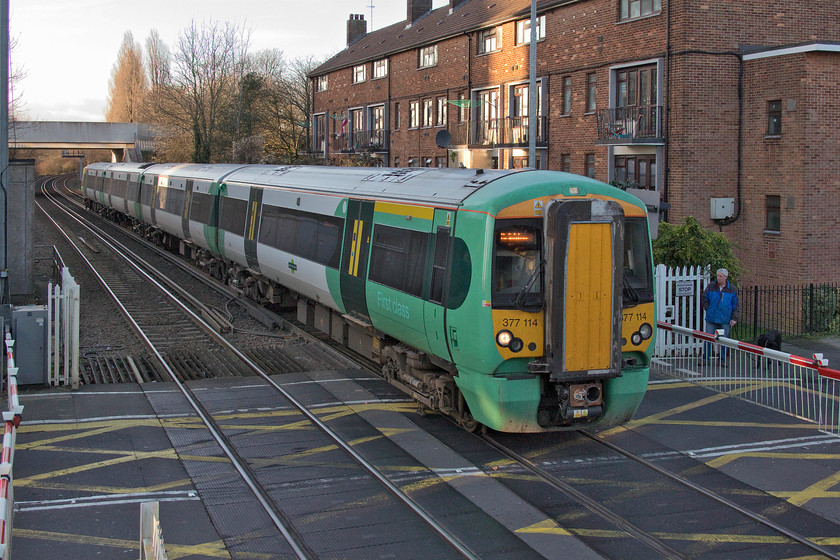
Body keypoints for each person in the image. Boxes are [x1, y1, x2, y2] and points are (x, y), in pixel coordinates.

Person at [701, 268, 739, 366]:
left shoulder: (732, 289)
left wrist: (734, 318)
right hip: (712, 317)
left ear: (726, 277)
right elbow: (704, 298)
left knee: (724, 340)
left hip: (725, 319)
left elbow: (736, 304)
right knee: (708, 338)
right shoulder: (711, 287)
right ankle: (705, 359)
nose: (718, 278)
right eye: (718, 276)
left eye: (721, 276)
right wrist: (708, 308)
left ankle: (722, 360)